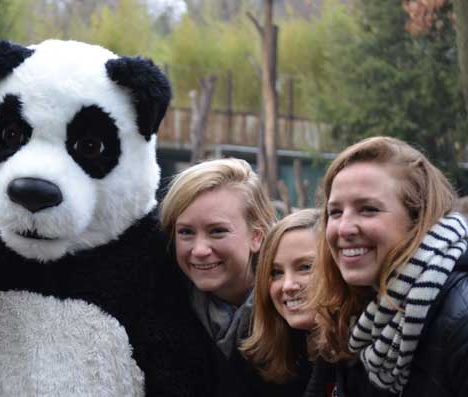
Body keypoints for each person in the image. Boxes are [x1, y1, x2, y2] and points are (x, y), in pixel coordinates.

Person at [305, 136, 468, 397]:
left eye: (368, 209)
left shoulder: (460, 321)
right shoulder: (354, 308)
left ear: (419, 219)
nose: (344, 228)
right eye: (335, 212)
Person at [159, 158, 276, 395]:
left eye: (218, 231)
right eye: (186, 232)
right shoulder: (163, 305)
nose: (200, 250)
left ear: (256, 236)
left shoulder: (291, 309)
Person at [240, 208, 320, 395]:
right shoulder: (262, 355)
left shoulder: (371, 355)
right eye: (276, 272)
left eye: (305, 267)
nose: (287, 285)